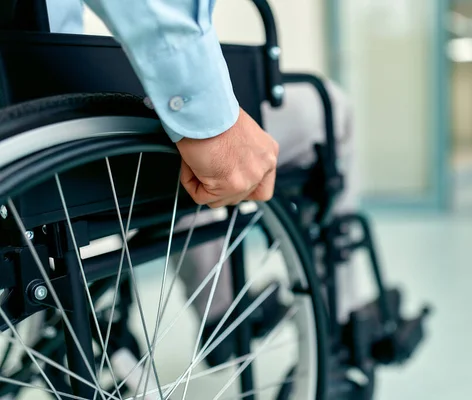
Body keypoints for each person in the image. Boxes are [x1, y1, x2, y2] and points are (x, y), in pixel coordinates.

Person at [46, 0, 361, 366]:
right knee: (329, 109)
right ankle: (344, 326)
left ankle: (222, 305)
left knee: (190, 167)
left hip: (34, 119)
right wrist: (209, 118)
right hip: (73, 130)